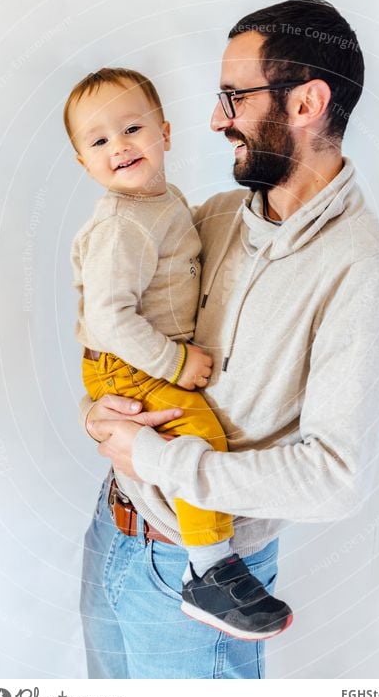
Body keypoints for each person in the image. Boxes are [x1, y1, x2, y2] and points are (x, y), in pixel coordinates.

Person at [78, 0, 379, 679]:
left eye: (233, 96)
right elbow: (123, 315)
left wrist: (154, 456)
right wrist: (99, 415)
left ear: (306, 102)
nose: (213, 119)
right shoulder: (218, 214)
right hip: (113, 531)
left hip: (204, 586)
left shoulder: (358, 266)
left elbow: (332, 481)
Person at [65, 67, 293, 640]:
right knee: (196, 435)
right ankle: (208, 569)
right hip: (132, 360)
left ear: (165, 132)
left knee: (192, 436)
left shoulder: (164, 201)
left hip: (138, 356)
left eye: (132, 128)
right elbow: (109, 318)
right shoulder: (123, 225)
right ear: (83, 163)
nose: (118, 146)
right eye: (98, 141)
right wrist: (174, 361)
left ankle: (205, 561)